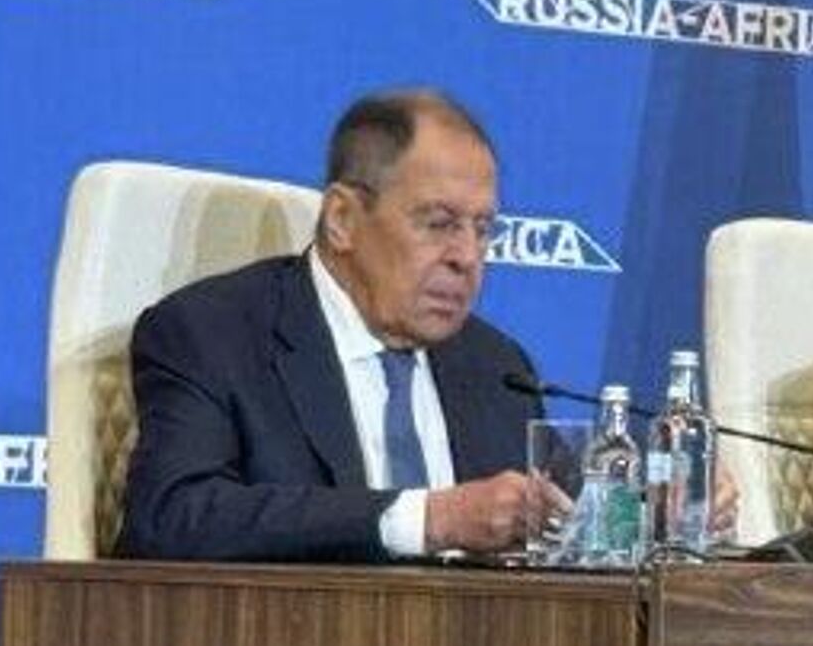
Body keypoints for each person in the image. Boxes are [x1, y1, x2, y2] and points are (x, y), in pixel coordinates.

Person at [118, 88, 560, 561]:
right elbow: (171, 519)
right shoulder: (213, 335)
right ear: (342, 219)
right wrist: (427, 520)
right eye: (438, 223)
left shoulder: (498, 369)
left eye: (482, 229)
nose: (468, 257)